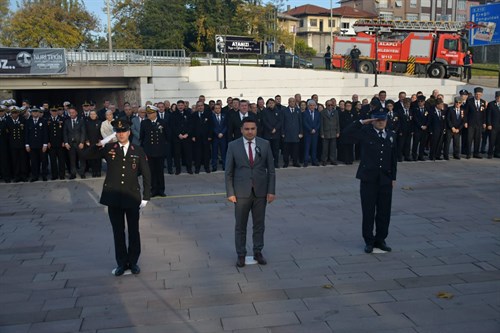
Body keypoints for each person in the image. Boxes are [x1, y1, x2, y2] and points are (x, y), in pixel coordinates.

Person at [85, 119, 151, 276]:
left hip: (131, 196)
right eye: (118, 132)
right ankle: (121, 263)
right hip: (113, 196)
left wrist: (146, 196)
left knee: (133, 231)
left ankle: (133, 262)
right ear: (115, 133)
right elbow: (86, 155)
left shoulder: (138, 150)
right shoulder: (109, 148)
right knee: (118, 232)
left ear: (129, 132)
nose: (121, 134)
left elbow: (147, 174)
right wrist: (100, 143)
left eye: (123, 131)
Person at [343, 111, 397, 254]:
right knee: (368, 211)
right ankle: (369, 241)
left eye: (383, 120)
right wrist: (361, 122)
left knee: (384, 212)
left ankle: (381, 239)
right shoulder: (365, 133)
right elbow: (346, 133)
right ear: (372, 121)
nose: (380, 122)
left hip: (385, 179)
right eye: (377, 120)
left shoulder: (391, 135)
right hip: (368, 179)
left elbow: (393, 159)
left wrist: (393, 178)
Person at [225, 117, 276, 268]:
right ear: (241, 130)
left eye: (252, 129)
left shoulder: (264, 144)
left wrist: (271, 191)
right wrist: (230, 192)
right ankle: (241, 254)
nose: (249, 131)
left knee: (259, 224)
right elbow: (228, 172)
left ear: (256, 129)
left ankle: (258, 251)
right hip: (241, 192)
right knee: (240, 225)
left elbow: (271, 171)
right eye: (246, 129)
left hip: (260, 191)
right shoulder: (233, 146)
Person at [140, 105, 168, 196]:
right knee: (151, 172)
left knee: (160, 171)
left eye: (150, 113)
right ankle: (153, 189)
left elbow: (167, 136)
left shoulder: (162, 122)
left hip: (160, 151)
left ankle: (161, 189)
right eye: (147, 113)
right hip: (149, 151)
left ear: (155, 113)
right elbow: (142, 137)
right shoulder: (144, 123)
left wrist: (164, 148)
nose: (148, 115)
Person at [25, 107, 49, 182]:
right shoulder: (28, 121)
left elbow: (45, 133)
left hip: (41, 145)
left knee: (44, 161)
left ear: (39, 113)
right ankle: (35, 176)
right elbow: (26, 134)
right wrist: (27, 144)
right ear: (31, 113)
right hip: (32, 145)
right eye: (33, 112)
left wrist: (45, 144)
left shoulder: (43, 121)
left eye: (36, 112)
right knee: (34, 161)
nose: (35, 113)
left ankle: (44, 175)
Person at [63, 106, 86, 179]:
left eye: (73, 113)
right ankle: (73, 173)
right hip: (70, 144)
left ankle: (82, 172)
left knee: (82, 159)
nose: (71, 114)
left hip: (79, 143)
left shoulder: (81, 120)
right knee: (72, 160)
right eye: (70, 113)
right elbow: (65, 133)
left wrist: (82, 142)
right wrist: (66, 143)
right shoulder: (67, 121)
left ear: (76, 113)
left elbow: (83, 132)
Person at [465, 87, 487, 159]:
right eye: (477, 94)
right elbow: (466, 113)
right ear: (474, 94)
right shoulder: (469, 101)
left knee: (477, 139)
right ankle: (468, 153)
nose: (478, 96)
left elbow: (484, 113)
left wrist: (484, 122)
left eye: (479, 94)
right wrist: (465, 122)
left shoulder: (483, 102)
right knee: (469, 139)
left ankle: (476, 153)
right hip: (471, 123)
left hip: (479, 124)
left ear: (482, 94)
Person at [281, 97, 303, 168]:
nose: (292, 103)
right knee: (286, 150)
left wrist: (301, 132)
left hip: (296, 134)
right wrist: (282, 132)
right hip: (287, 134)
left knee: (295, 150)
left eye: (293, 101)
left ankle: (295, 162)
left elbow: (300, 122)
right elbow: (282, 122)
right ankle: (286, 162)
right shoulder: (284, 111)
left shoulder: (298, 110)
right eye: (291, 101)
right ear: (288, 102)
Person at [320, 99, 340, 165]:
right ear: (326, 105)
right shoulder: (323, 112)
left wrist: (338, 132)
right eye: (329, 105)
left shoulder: (335, 112)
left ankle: (333, 160)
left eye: (332, 105)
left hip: (333, 132)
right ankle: (324, 160)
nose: (330, 106)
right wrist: (322, 133)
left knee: (333, 148)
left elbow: (337, 122)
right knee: (325, 148)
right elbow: (321, 124)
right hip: (326, 132)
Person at [302, 99, 321, 167]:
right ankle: (306, 161)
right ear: (308, 106)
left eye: (313, 105)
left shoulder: (317, 113)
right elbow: (304, 123)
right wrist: (310, 129)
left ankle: (314, 160)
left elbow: (319, 123)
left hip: (315, 133)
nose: (312, 107)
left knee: (314, 147)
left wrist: (315, 129)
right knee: (307, 148)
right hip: (308, 133)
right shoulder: (305, 113)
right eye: (311, 105)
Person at [486, 91, 500, 158]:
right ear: (495, 97)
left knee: (498, 140)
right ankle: (490, 153)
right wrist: (489, 124)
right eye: (498, 97)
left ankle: (497, 153)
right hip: (493, 125)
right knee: (492, 140)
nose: (499, 99)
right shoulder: (491, 104)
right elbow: (488, 115)